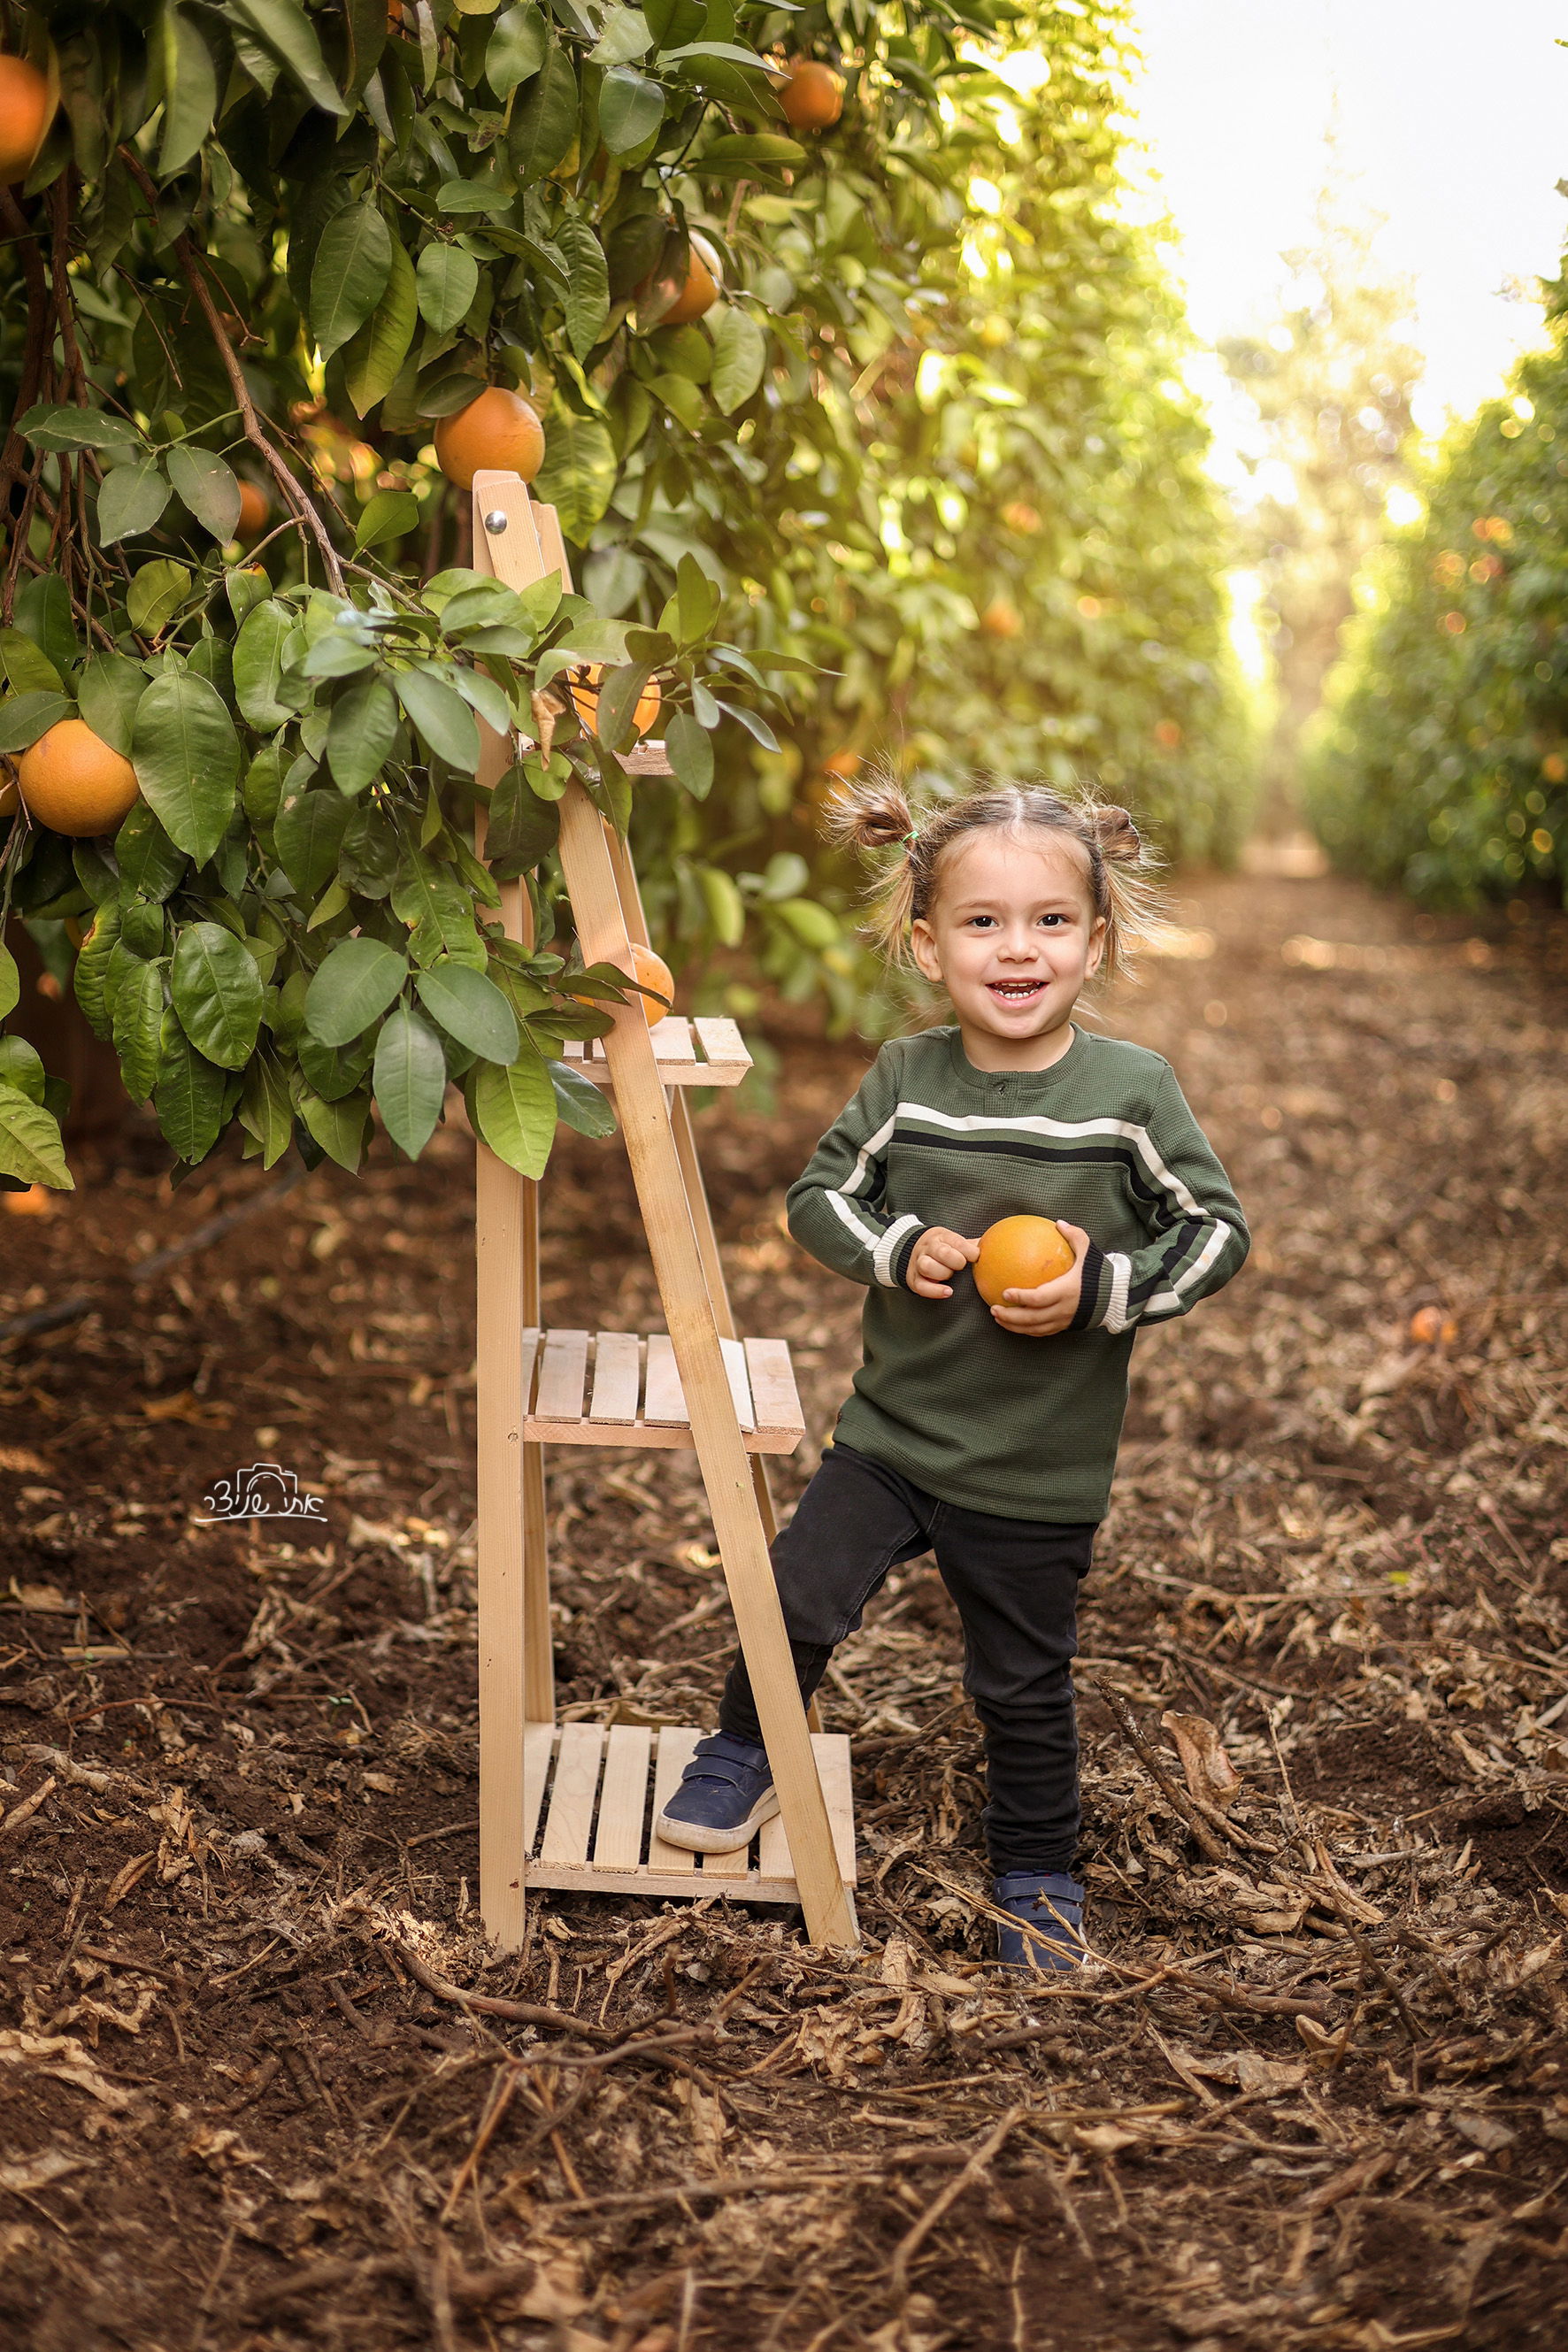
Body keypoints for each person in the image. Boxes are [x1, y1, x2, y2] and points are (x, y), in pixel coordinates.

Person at [654, 773, 1249, 1972]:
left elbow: (1216, 1229)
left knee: (1021, 1679)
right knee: (795, 1596)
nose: (1016, 948)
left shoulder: (1129, 1094)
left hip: (1036, 1463)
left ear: (1096, 939)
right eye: (982, 921)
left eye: (1049, 920)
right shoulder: (907, 1080)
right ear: (928, 944)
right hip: (895, 1433)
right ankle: (748, 1743)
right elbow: (818, 1196)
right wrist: (895, 1245)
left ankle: (1036, 1864)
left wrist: (1100, 1288)